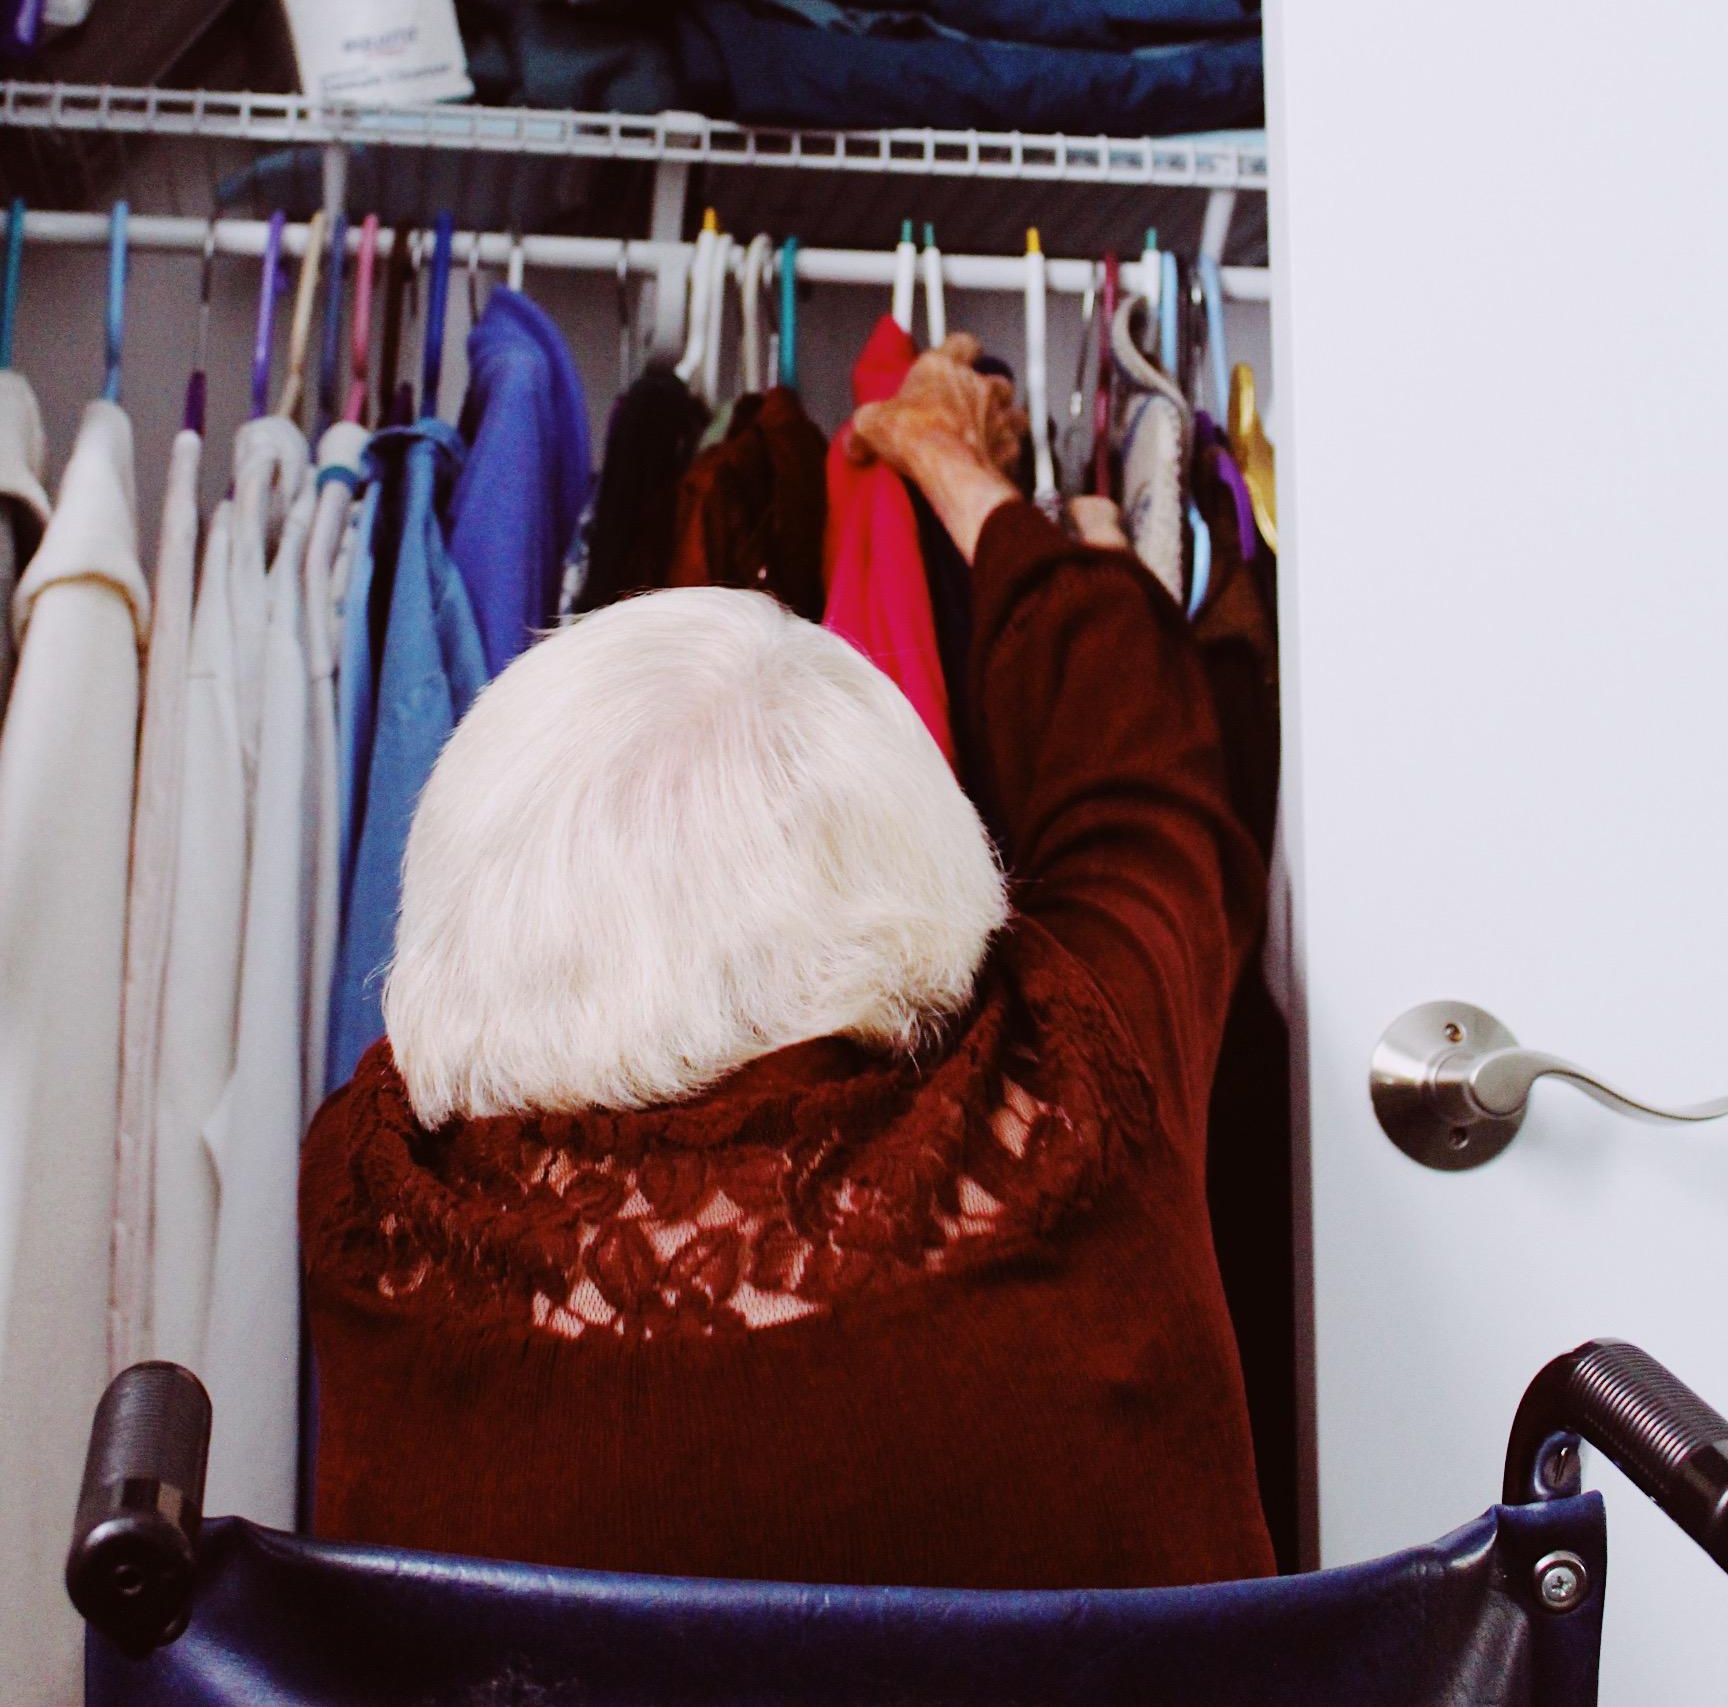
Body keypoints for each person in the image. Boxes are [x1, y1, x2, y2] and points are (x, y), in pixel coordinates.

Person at [301, 338, 1273, 1589]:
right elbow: (1142, 785)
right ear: (932, 871)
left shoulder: (369, 1207)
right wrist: (950, 464)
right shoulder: (1078, 1097)